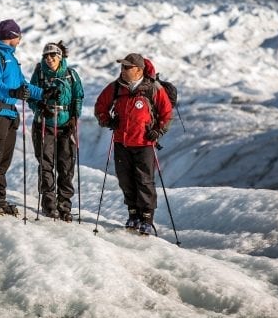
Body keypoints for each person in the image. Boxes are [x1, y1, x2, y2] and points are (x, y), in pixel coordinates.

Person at [0, 19, 56, 216]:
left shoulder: (10, 58)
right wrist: (13, 92)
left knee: (3, 160)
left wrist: (44, 93)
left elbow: (23, 85)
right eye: (19, 35)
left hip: (9, 113)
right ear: (13, 36)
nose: (20, 39)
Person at [94, 53, 172, 234]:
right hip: (122, 141)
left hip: (144, 143)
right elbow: (100, 106)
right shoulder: (115, 87)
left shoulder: (153, 88)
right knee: (125, 179)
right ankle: (133, 214)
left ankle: (146, 217)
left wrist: (158, 131)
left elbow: (166, 113)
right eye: (122, 66)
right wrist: (107, 121)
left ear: (139, 70)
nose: (123, 69)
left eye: (127, 67)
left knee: (144, 181)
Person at [28, 41, 84, 222]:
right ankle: (49, 206)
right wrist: (40, 107)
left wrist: (74, 118)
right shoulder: (39, 74)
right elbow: (30, 95)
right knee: (46, 166)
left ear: (61, 57)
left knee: (66, 167)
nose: (50, 58)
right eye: (46, 56)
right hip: (43, 124)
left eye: (53, 55)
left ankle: (64, 207)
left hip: (66, 126)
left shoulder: (71, 75)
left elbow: (78, 97)